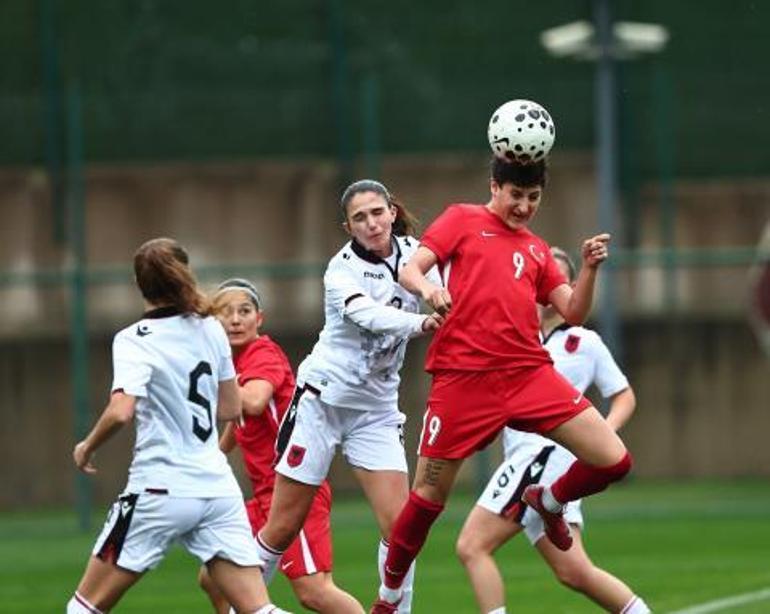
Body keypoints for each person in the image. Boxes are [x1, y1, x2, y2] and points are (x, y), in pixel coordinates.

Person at [371, 158, 634, 614]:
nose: (524, 206)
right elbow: (410, 270)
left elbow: (571, 312)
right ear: (495, 186)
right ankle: (389, 598)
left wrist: (589, 268)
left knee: (614, 460)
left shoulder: (535, 250)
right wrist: (430, 292)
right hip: (463, 378)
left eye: (533, 198)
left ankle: (550, 500)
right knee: (427, 499)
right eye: (516, 195)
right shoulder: (461, 218)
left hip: (527, 373)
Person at [67, 238, 289, 614]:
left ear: (139, 285)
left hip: (160, 488)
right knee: (258, 610)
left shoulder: (133, 340)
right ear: (185, 274)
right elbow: (232, 407)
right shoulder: (211, 330)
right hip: (217, 489)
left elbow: (121, 410)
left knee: (83, 608)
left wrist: (87, 445)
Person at [253, 179, 444, 614]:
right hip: (323, 403)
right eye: (360, 218)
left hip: (375, 411)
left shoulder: (417, 255)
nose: (372, 223)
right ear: (348, 227)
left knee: (401, 531)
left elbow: (453, 285)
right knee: (281, 527)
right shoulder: (340, 270)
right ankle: (240, 606)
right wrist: (420, 323)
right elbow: (368, 314)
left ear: (392, 212)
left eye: (378, 212)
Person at [456, 247, 651, 614]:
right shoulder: (516, 338)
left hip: (544, 459)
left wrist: (603, 434)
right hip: (530, 459)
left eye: (553, 280)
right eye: (537, 279)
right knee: (574, 571)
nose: (543, 288)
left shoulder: (583, 341)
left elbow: (623, 394)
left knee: (472, 546)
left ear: (569, 287)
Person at [197, 277, 360, 613]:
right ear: (213, 321)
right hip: (263, 497)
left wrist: (196, 384)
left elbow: (254, 401)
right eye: (225, 312)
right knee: (214, 577)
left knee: (315, 592)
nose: (236, 319)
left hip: (292, 490)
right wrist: (212, 456)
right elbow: (239, 419)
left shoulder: (262, 352)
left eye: (244, 311)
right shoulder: (232, 364)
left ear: (260, 319)